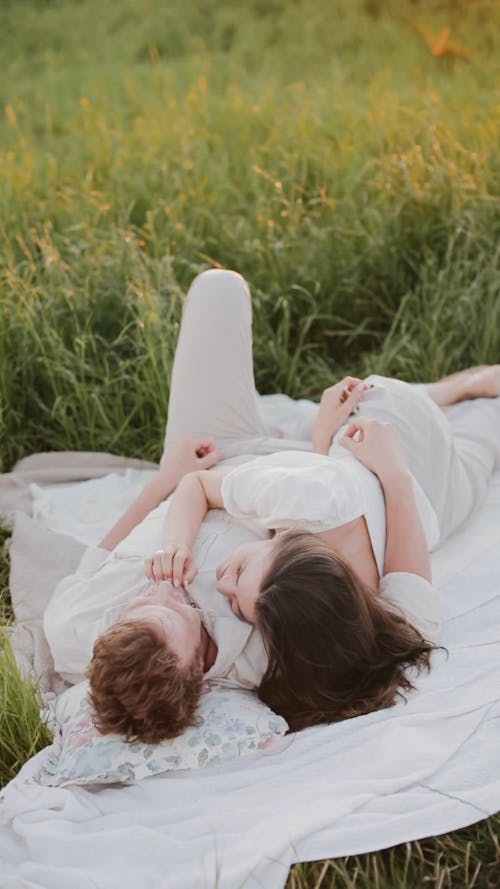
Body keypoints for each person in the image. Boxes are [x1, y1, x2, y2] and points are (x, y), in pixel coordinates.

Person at [44, 269, 500, 741]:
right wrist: (351, 462)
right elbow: (395, 614)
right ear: (201, 668)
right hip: (316, 477)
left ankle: (421, 398)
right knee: (476, 440)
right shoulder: (272, 645)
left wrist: (163, 482)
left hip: (219, 456)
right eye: (176, 611)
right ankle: (447, 396)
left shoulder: (73, 630)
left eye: (139, 605)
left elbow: (108, 548)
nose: (162, 590)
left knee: (217, 288)